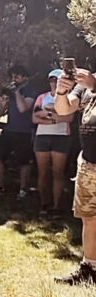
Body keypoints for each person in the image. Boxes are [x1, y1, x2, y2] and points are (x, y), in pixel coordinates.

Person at [54, 66, 96, 284]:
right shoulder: (85, 84)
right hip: (89, 164)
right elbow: (63, 110)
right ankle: (89, 269)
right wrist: (61, 91)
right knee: (89, 219)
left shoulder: (91, 82)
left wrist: (94, 84)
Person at [0, 65, 38, 199]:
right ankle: (0, 186)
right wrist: (1, 103)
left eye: (17, 76)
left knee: (24, 162)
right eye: (12, 76)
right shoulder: (9, 92)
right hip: (9, 129)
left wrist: (16, 93)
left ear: (24, 77)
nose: (14, 79)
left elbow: (23, 108)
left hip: (24, 131)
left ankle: (23, 190)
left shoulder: (30, 90)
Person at [32, 69, 73, 216]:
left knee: (58, 173)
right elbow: (35, 118)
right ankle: (44, 204)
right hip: (42, 137)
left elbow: (69, 118)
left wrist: (47, 117)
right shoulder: (41, 97)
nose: (54, 83)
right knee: (42, 173)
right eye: (52, 80)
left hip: (61, 137)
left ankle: (56, 206)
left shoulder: (69, 98)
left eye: (57, 80)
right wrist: (54, 117)